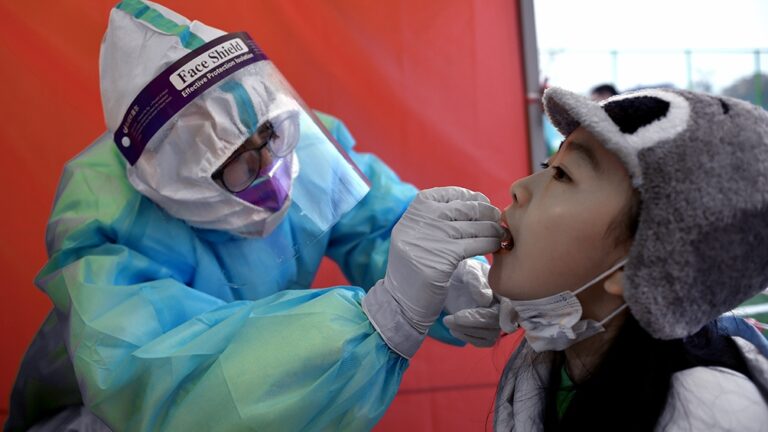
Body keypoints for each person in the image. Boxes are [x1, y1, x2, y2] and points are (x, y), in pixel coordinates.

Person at [5, 1, 501, 430]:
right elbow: (173, 387)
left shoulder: (296, 142)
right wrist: (379, 320)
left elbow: (378, 222)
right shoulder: (105, 221)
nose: (269, 165)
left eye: (268, 136)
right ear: (176, 175)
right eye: (237, 158)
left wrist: (457, 281)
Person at [445, 87, 768, 430]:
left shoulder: (713, 412)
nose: (519, 186)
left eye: (563, 175)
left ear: (643, 267)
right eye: (548, 164)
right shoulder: (553, 359)